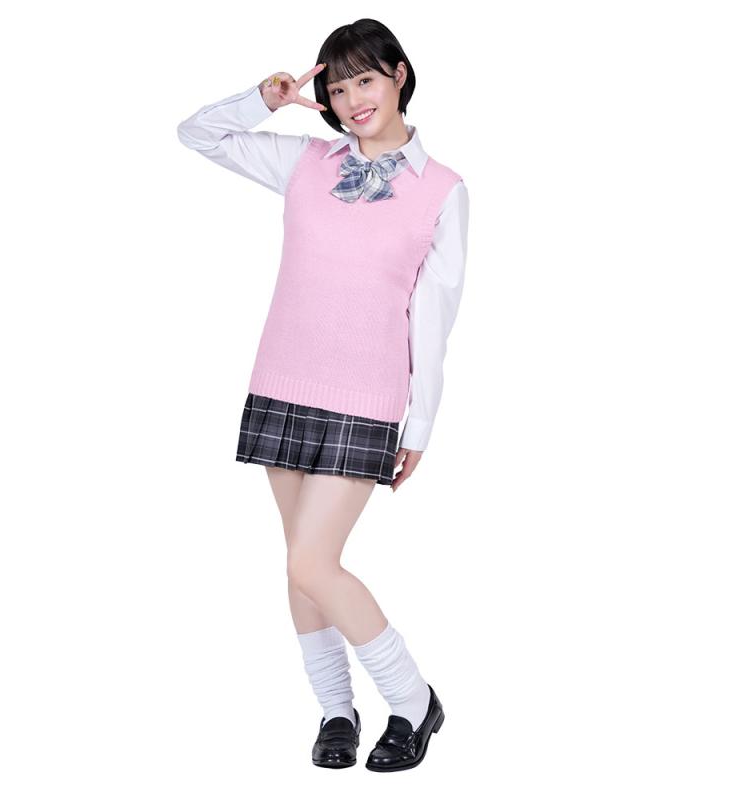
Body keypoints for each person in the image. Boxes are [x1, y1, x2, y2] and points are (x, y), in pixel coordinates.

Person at [177, 18, 469, 771]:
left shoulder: (442, 190)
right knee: (299, 562)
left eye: (364, 79)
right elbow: (197, 133)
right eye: (337, 89)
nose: (352, 99)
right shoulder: (306, 162)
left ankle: (413, 702)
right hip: (283, 381)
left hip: (366, 396)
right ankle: (336, 710)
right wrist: (264, 99)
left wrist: (420, 425)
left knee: (313, 563)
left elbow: (434, 315)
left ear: (399, 74)